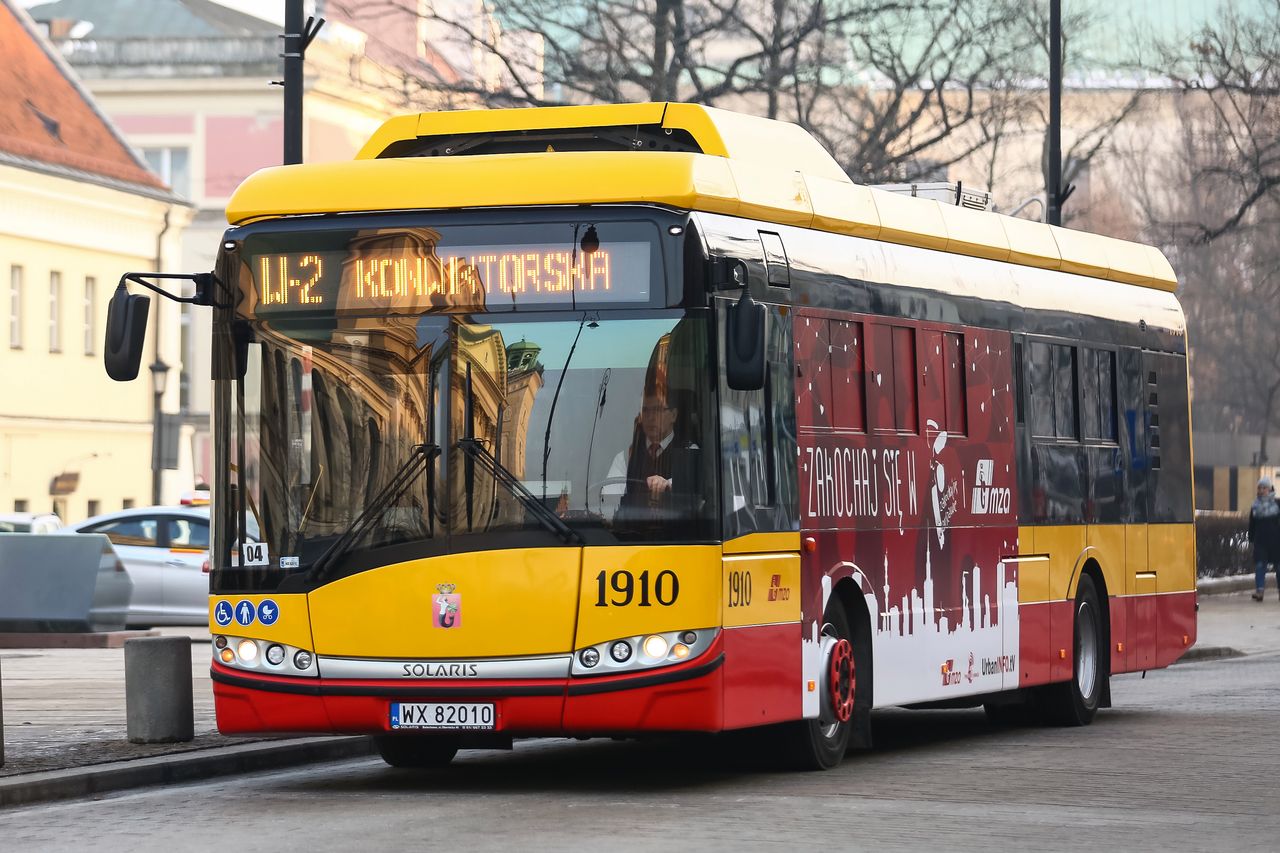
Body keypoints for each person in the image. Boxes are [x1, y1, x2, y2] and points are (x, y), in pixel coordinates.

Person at [607, 391, 699, 523]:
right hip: (632, 537)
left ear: (673, 415)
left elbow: (693, 489)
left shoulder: (690, 451)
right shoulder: (625, 457)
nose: (650, 417)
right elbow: (610, 502)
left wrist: (667, 484)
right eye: (645, 410)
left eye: (657, 410)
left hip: (678, 537)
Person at [1247, 477, 1280, 601]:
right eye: (1259, 488)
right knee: (1260, 565)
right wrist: (1251, 538)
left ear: (1270, 489)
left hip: (1276, 541)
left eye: (1264, 488)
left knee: (1279, 567)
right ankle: (1259, 592)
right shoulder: (1255, 506)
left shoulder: (1277, 504)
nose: (1261, 490)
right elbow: (1252, 524)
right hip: (1260, 541)